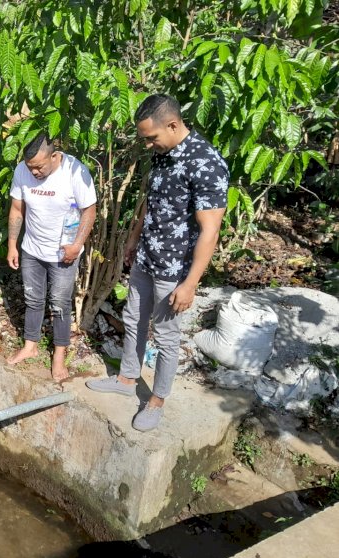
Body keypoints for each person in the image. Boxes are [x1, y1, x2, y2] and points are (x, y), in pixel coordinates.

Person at [86, 94, 229, 432]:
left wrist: (190, 282)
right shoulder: (163, 155)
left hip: (174, 268)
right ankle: (126, 379)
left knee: (166, 335)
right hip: (147, 256)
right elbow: (152, 202)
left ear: (174, 124)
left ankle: (157, 400)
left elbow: (210, 230)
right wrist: (134, 239)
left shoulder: (205, 163)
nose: (148, 144)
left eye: (151, 137)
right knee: (133, 317)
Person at [6, 134, 97, 381]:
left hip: (63, 253)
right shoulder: (22, 171)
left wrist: (77, 245)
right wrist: (12, 245)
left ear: (54, 156)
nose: (34, 172)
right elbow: (17, 209)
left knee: (59, 303)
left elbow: (89, 210)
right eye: (30, 167)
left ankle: (58, 354)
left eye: (39, 167)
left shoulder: (75, 172)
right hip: (32, 249)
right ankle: (30, 345)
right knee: (33, 298)